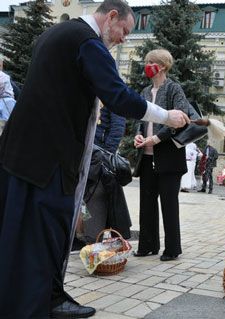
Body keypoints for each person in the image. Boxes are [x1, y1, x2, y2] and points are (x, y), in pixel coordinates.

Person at [0, 0, 189, 317]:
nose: (123, 39)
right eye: (124, 31)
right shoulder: (87, 41)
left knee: (19, 232)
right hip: (49, 159)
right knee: (43, 235)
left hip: (22, 154)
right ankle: (38, 305)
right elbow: (117, 95)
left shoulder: (55, 33)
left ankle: (40, 298)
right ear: (111, 16)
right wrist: (166, 116)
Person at [132, 48, 187, 261]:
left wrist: (156, 139)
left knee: (168, 203)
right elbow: (140, 118)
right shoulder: (145, 92)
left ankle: (172, 249)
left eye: (150, 62)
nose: (147, 66)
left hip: (168, 158)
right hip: (146, 156)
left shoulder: (174, 89)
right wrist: (138, 135)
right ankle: (147, 245)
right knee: (146, 202)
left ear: (162, 65)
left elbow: (180, 120)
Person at [81, 106, 130, 244]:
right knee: (84, 200)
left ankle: (94, 237)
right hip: (87, 156)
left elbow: (117, 127)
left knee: (98, 197)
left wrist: (105, 156)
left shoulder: (109, 94)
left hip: (101, 160)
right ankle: (88, 235)